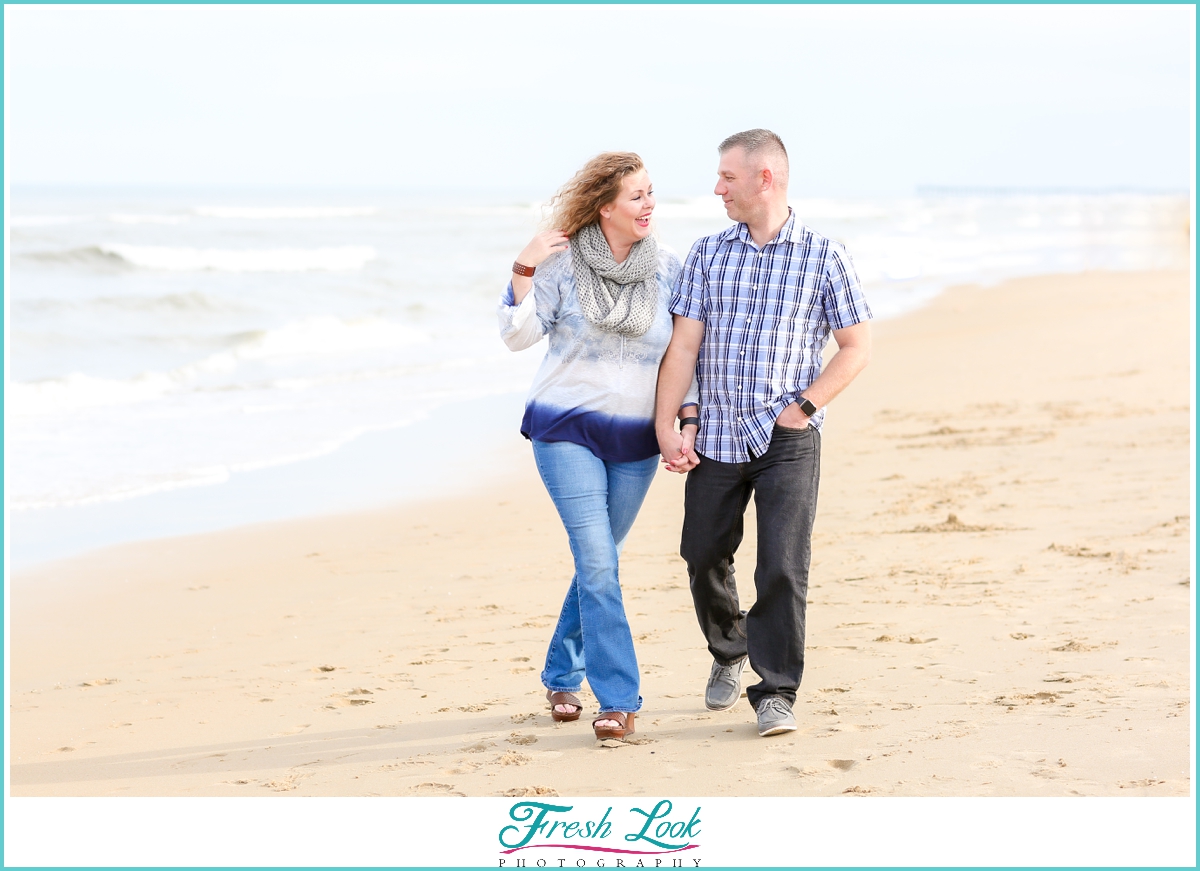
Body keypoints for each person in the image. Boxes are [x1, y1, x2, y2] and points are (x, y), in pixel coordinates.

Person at [654, 129, 873, 737]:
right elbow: (683, 347)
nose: (717, 187)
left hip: (787, 437)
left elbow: (856, 347)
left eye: (727, 177)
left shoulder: (826, 256)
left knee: (780, 563)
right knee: (701, 554)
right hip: (715, 434)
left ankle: (776, 691)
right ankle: (729, 651)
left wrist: (804, 407)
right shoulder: (707, 254)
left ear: (764, 179)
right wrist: (666, 424)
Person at [498, 152, 693, 742]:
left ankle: (561, 673)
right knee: (600, 561)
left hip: (636, 438)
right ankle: (619, 698)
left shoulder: (670, 270)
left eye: (651, 193)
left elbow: (685, 357)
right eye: (636, 196)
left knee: (597, 561)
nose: (649, 205)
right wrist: (523, 269)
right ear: (605, 206)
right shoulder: (560, 266)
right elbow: (517, 336)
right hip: (565, 429)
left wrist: (685, 421)